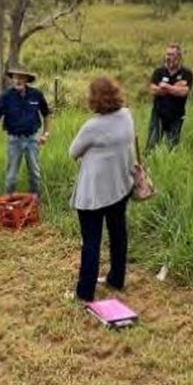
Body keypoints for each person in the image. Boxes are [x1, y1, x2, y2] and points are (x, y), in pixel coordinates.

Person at [69, 77, 135, 302]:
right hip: (121, 187)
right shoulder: (126, 115)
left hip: (94, 194)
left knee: (91, 242)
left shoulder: (93, 126)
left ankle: (84, 292)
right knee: (118, 234)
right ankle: (116, 279)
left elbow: (73, 151)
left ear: (94, 99)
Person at [0, 66, 51, 199]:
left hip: (32, 139)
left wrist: (46, 134)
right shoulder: (6, 96)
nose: (18, 80)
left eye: (21, 77)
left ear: (26, 80)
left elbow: (46, 114)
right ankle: (9, 205)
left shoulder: (36, 94)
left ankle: (34, 203)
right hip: (14, 140)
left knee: (35, 174)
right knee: (11, 176)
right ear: (12, 79)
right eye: (15, 77)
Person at [146, 43, 193, 152]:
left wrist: (165, 87)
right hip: (158, 115)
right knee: (152, 144)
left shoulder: (186, 73)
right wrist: (174, 88)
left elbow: (183, 92)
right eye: (167, 55)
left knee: (172, 146)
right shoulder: (159, 72)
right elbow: (153, 90)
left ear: (179, 57)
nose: (168, 58)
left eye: (171, 55)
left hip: (176, 116)